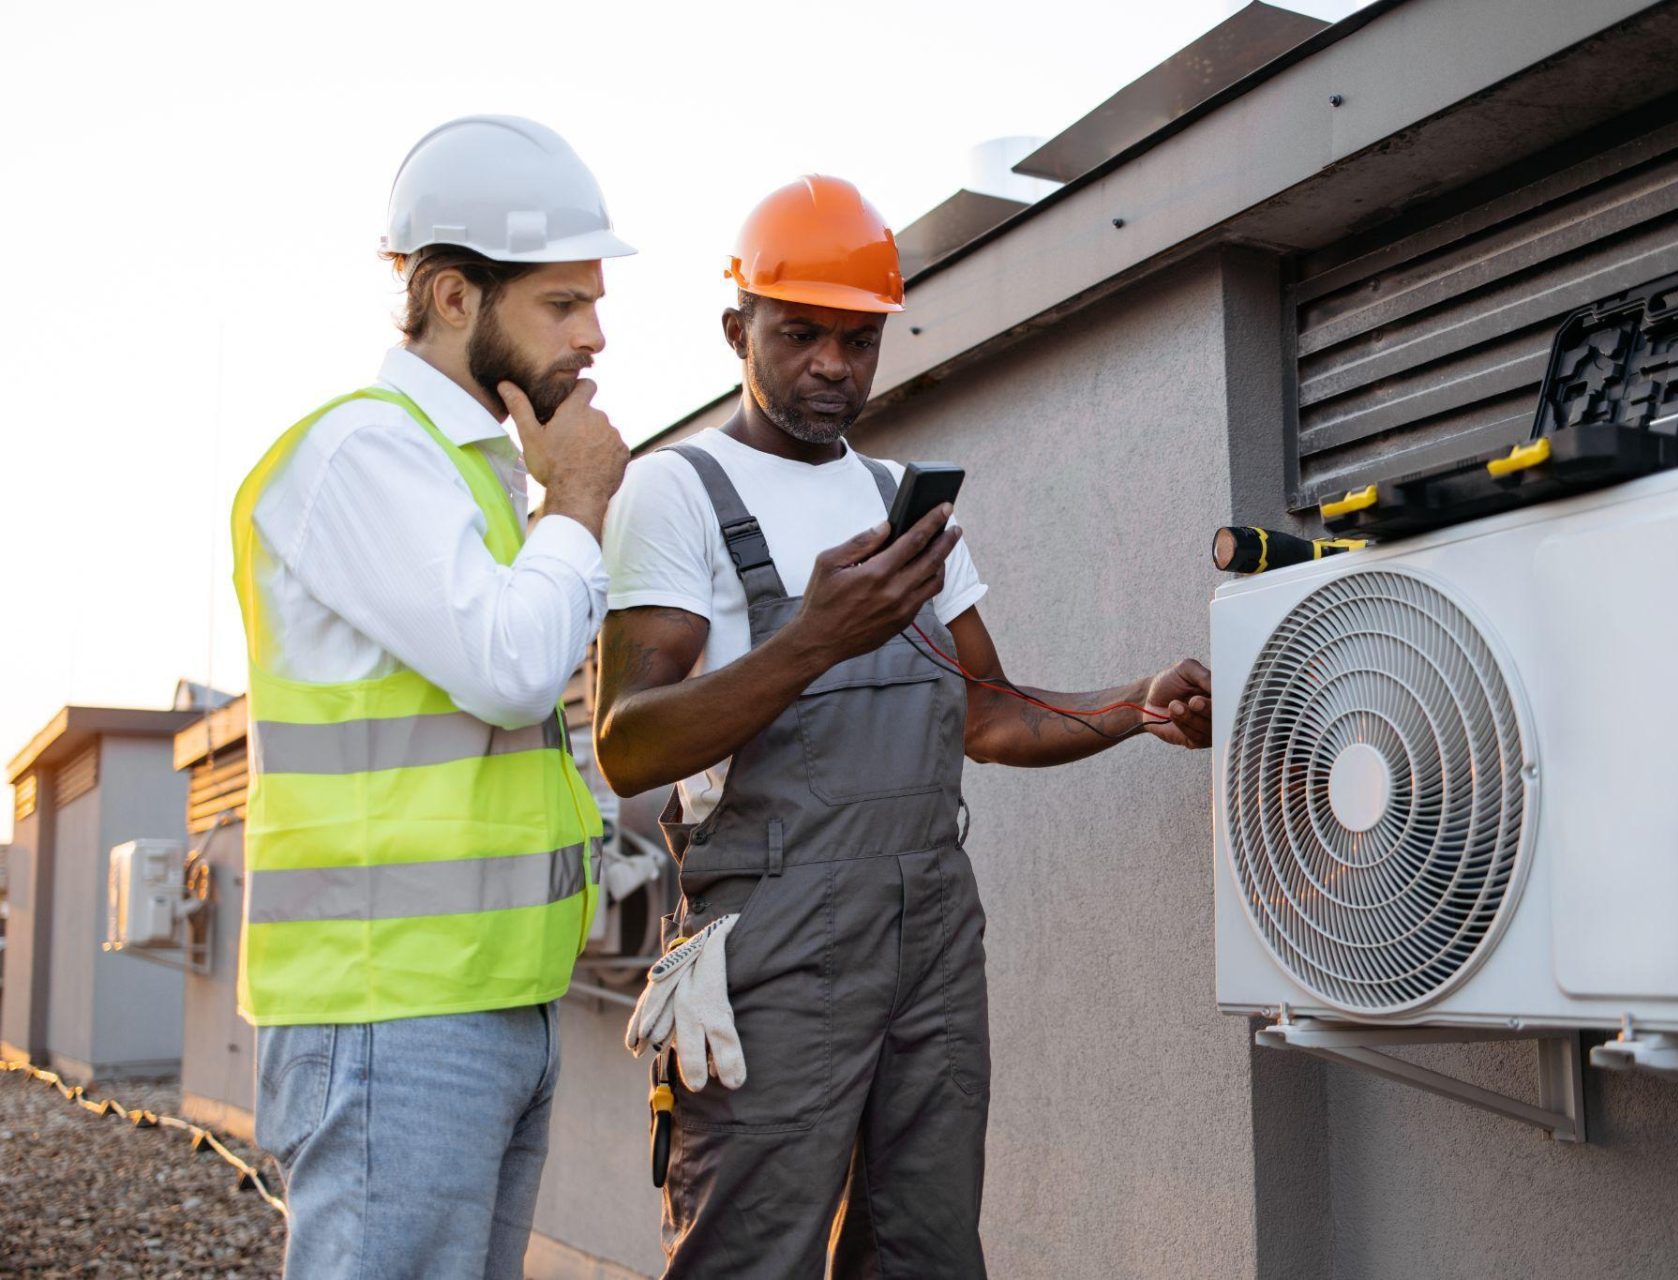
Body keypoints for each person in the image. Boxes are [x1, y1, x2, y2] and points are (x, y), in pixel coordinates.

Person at [595, 174, 1212, 1278]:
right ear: (737, 329)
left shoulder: (905, 501)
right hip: (773, 936)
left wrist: (1135, 702)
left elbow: (987, 710)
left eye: (858, 338)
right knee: (752, 1248)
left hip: (930, 927)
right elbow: (628, 743)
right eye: (800, 334)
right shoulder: (674, 492)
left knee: (924, 1247)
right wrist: (812, 639)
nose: (834, 363)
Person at [230, 115, 633, 1278]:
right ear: (453, 295)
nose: (595, 334)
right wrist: (579, 506)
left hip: (490, 1000)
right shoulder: (367, 456)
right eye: (564, 303)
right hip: (391, 1012)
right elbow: (510, 669)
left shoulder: (484, 475)